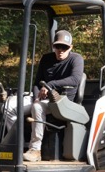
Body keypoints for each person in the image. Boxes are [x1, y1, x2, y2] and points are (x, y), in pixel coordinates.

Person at [24, 29, 85, 162]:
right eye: (58, 46)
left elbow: (75, 79)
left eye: (65, 47)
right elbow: (37, 82)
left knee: (38, 108)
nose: (61, 50)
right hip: (43, 99)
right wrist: (36, 97)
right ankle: (15, 146)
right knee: (11, 106)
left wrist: (50, 85)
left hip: (64, 103)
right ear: (53, 46)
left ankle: (35, 149)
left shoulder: (76, 59)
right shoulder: (46, 59)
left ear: (71, 47)